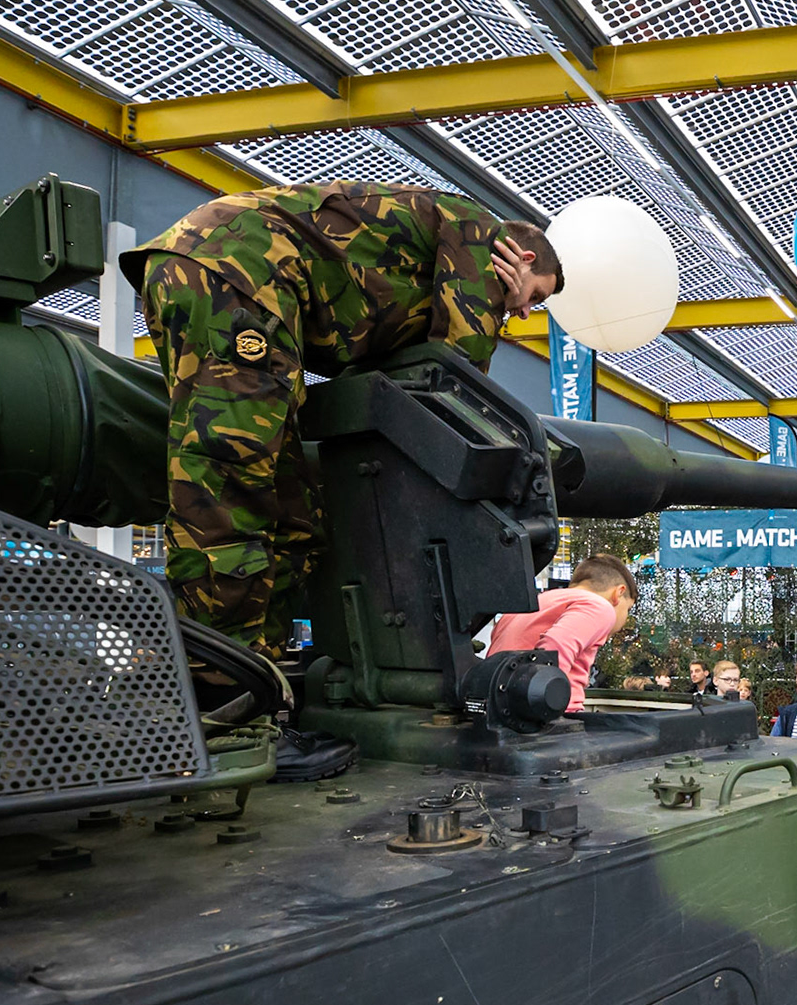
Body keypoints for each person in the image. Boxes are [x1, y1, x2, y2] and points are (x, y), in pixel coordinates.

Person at [124, 182, 563, 657]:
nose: (522, 311)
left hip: (221, 276)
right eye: (534, 296)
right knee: (233, 477)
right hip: (238, 269)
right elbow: (459, 378)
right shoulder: (484, 237)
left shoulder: (426, 258)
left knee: (294, 510)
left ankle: (259, 662)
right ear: (525, 258)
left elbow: (401, 370)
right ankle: (216, 679)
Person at [488, 555, 637, 713]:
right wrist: (545, 705)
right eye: (627, 609)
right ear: (618, 593)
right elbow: (555, 645)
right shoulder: (599, 606)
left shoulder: (528, 607)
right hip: (549, 719)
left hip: (499, 713)